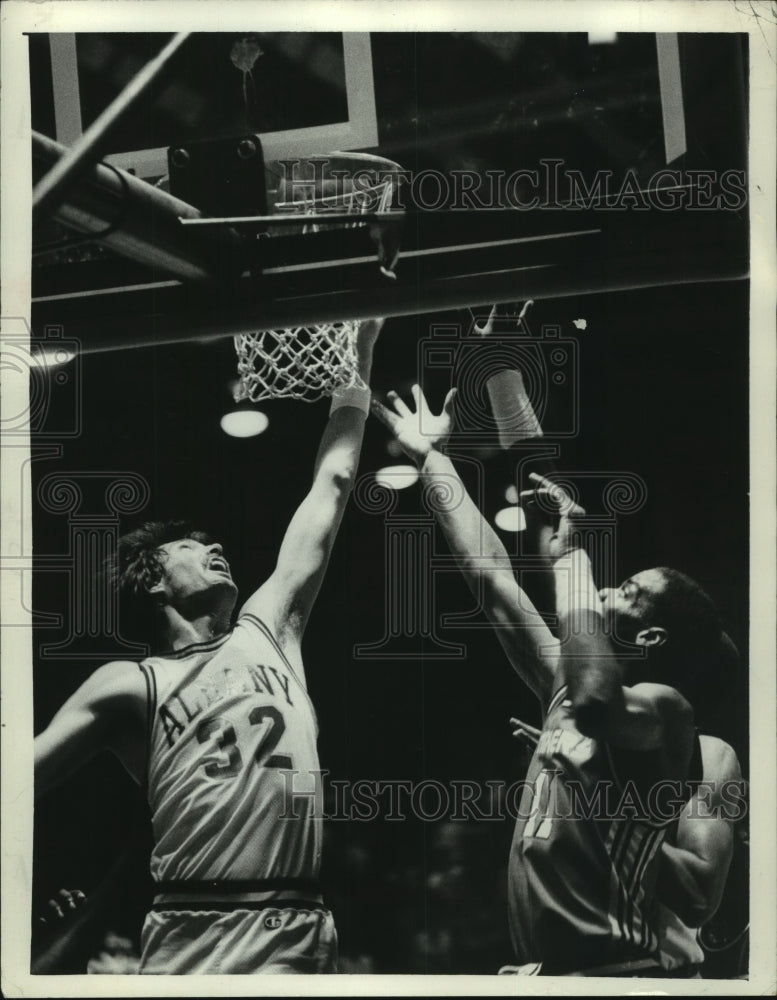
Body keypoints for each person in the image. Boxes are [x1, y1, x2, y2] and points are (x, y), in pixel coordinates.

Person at [34, 317, 385, 975]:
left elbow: (332, 484)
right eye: (191, 548)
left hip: (299, 924)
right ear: (152, 580)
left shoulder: (268, 628)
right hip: (192, 926)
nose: (215, 547)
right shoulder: (130, 683)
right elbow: (20, 780)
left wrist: (360, 351)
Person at [371, 381, 738, 976]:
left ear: (649, 640)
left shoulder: (678, 719)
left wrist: (600, 800)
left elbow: (698, 892)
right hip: (547, 974)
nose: (603, 589)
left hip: (630, 975)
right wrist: (433, 458)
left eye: (627, 592)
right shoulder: (566, 688)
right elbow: (492, 580)